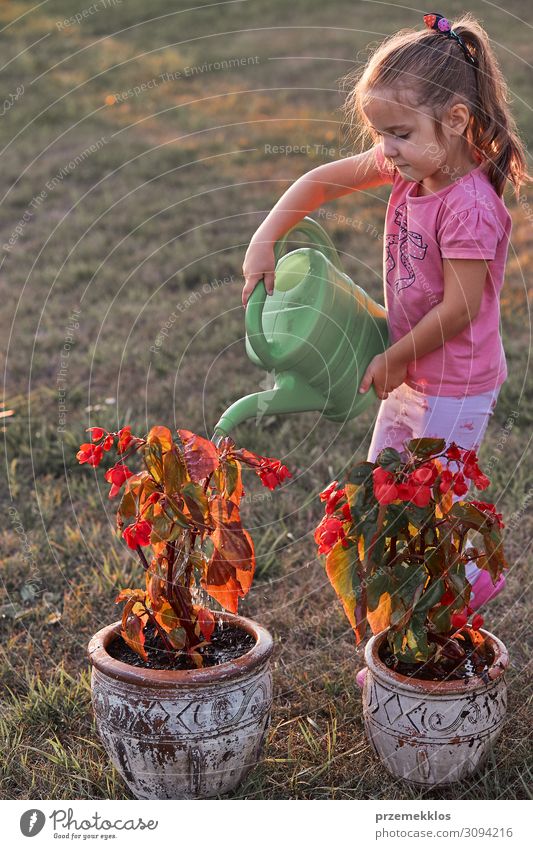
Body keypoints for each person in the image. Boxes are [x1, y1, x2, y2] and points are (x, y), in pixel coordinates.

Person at [241, 11, 530, 679]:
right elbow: (318, 181)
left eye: (398, 135)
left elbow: (459, 308)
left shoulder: (468, 205)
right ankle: (400, 642)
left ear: (455, 121)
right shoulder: (410, 167)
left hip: (454, 384)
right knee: (379, 499)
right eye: (380, 135)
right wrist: (264, 237)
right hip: (408, 374)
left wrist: (396, 357)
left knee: (426, 514)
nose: (386, 150)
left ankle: (460, 603)